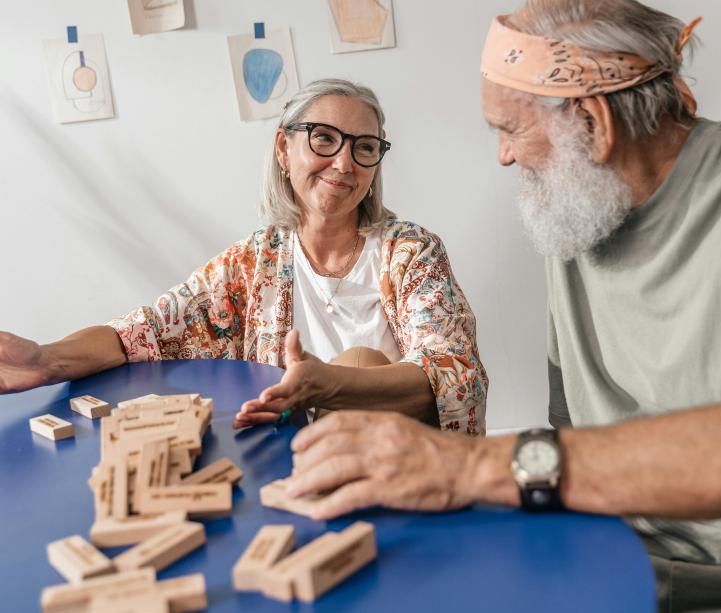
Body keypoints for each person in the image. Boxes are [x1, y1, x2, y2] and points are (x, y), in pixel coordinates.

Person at [285, 3, 721, 613]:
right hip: (605, 559)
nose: (501, 157)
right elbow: (572, 431)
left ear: (592, 121)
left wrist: (474, 466)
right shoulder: (582, 207)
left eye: (508, 129)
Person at [0, 79, 488, 435]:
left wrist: (330, 384)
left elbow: (454, 371)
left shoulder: (411, 252)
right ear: (283, 147)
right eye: (324, 138)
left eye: (364, 148)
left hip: (401, 458)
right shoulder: (253, 264)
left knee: (360, 360)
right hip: (296, 463)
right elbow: (145, 331)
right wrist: (47, 359)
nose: (344, 163)